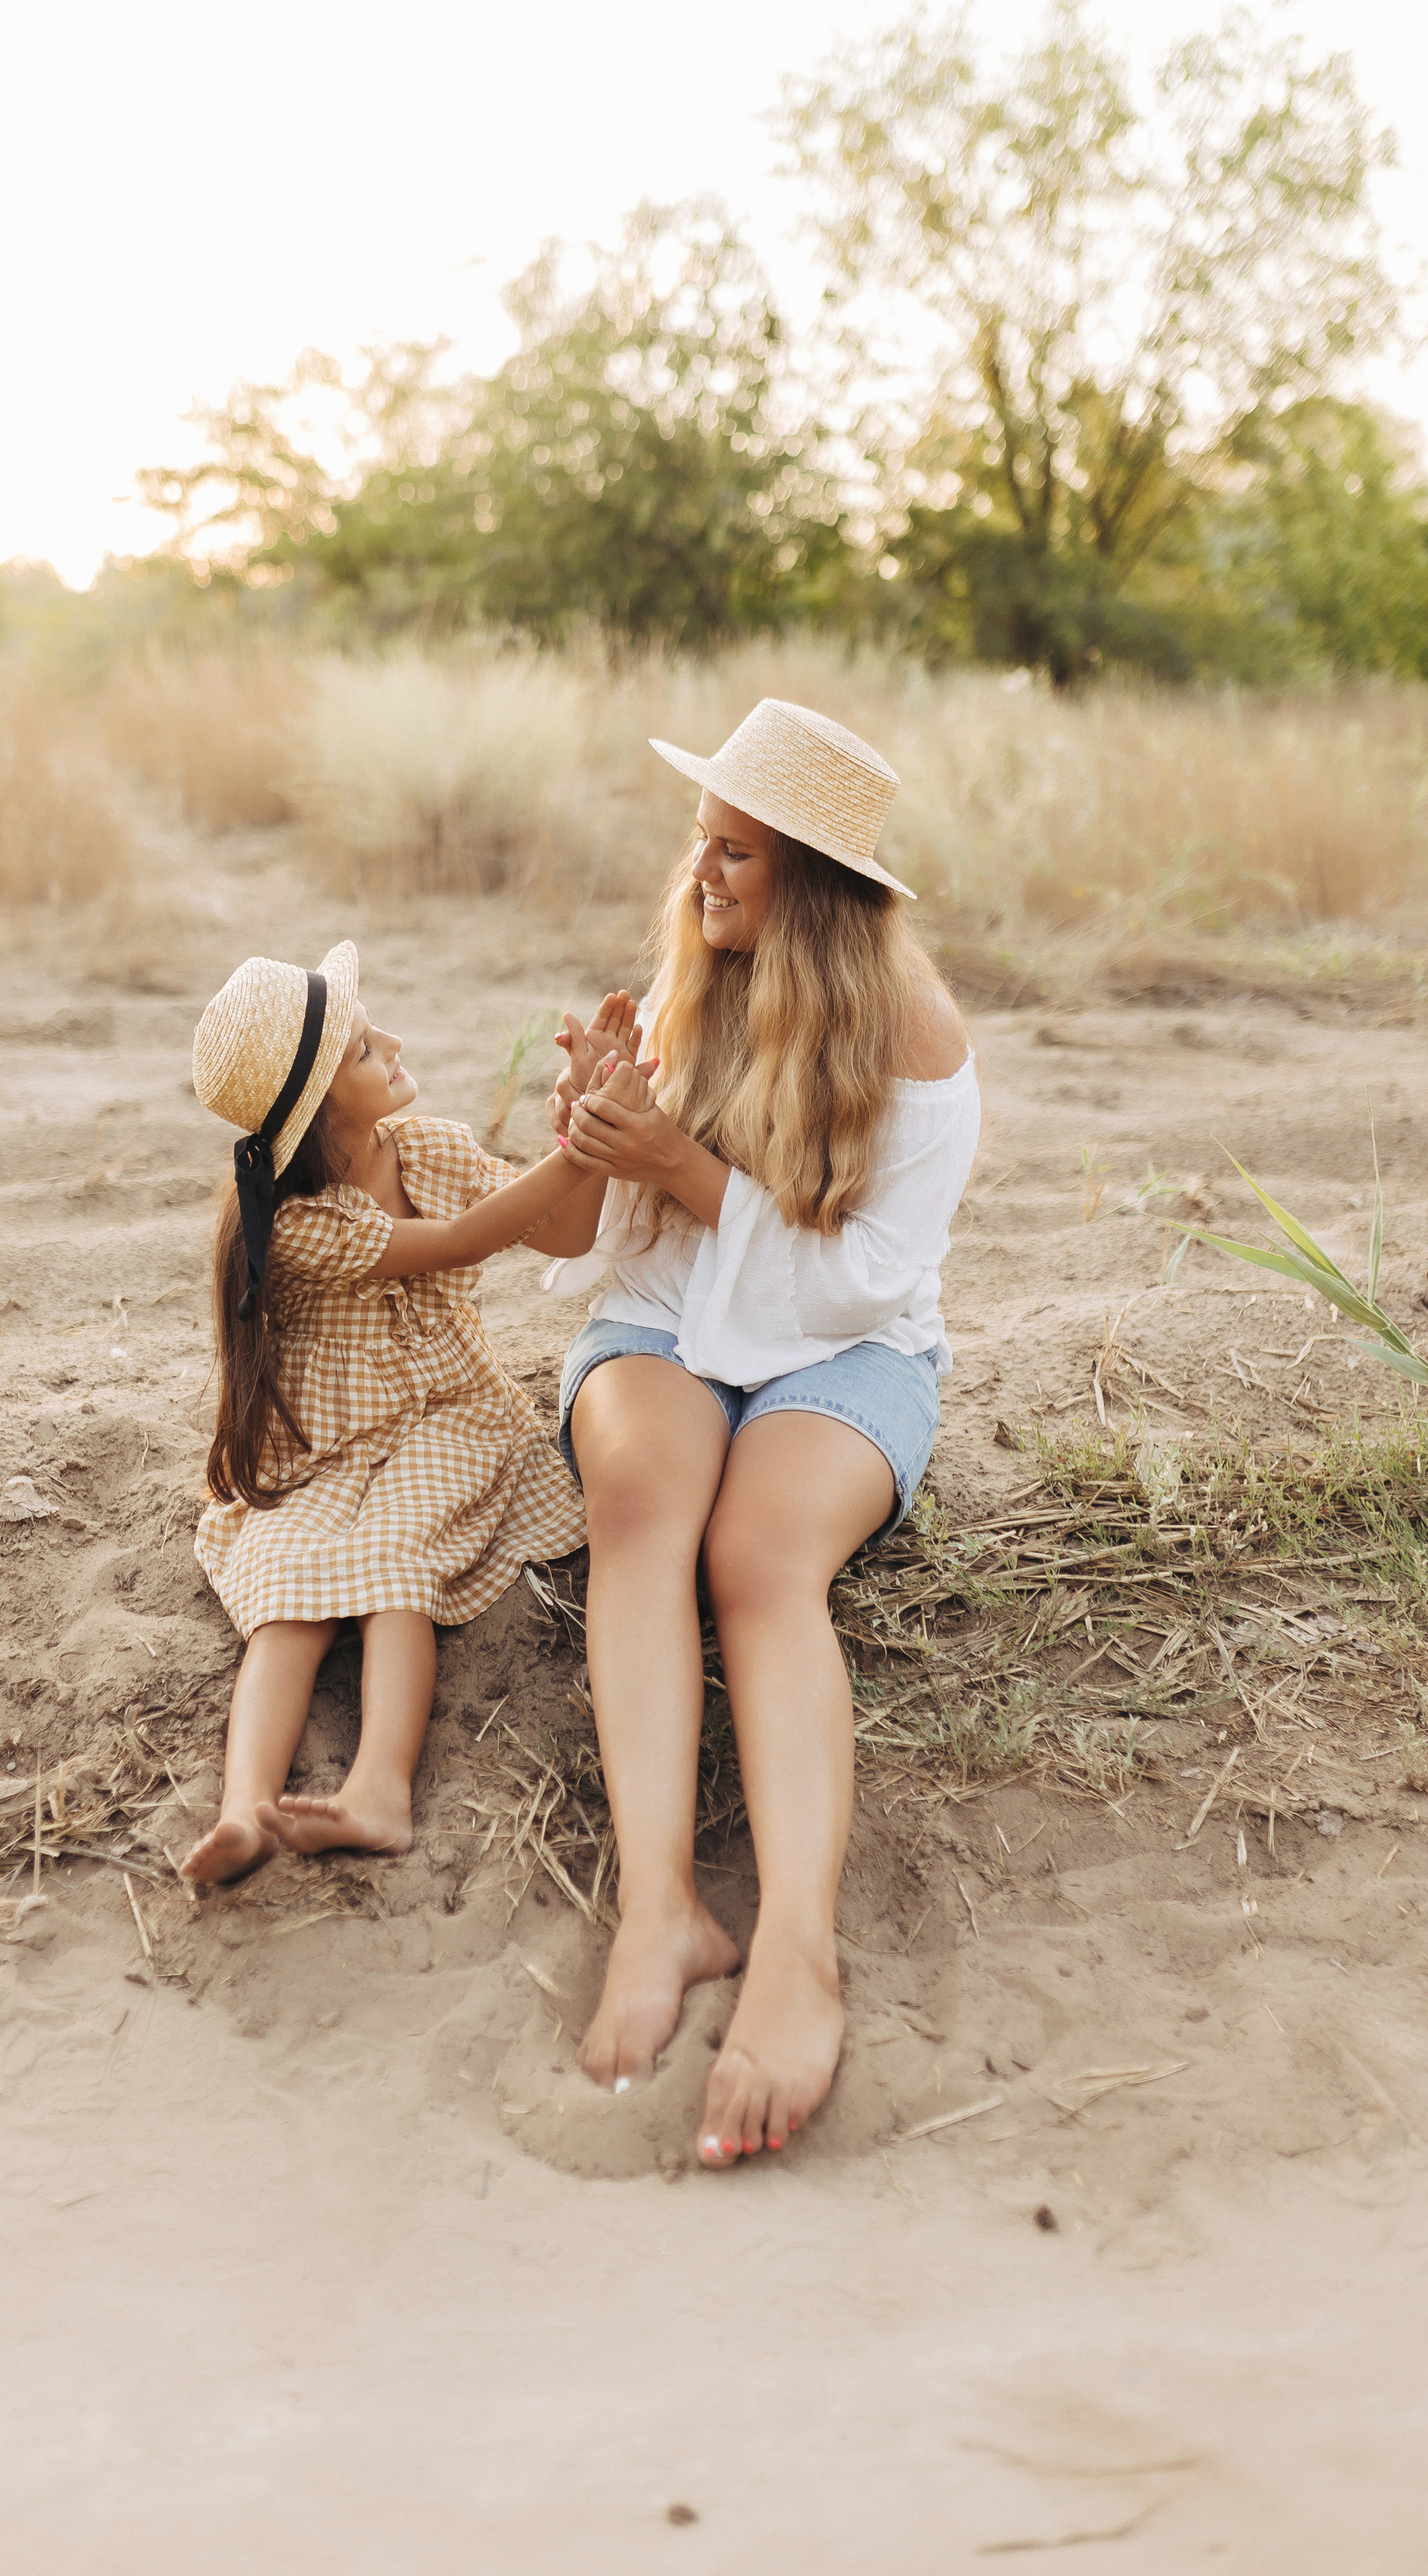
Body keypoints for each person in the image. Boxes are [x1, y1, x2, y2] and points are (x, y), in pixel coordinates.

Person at [546, 700, 981, 2167]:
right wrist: (599, 1130)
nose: (699, 873)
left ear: (806, 879)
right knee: (641, 1496)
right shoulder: (691, 986)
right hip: (675, 1311)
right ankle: (657, 1907)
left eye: (732, 852)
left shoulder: (914, 1036)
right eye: (699, 840)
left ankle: (795, 1950)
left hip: (847, 1341)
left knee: (759, 1551)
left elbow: (863, 1276)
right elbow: (607, 1230)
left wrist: (681, 1161)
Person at [182, 941, 633, 1886]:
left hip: (449, 1416)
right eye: (359, 1050)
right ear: (316, 1118)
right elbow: (468, 1240)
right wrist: (585, 1137)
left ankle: (379, 1789)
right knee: (282, 1587)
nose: (389, 1041)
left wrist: (584, 1123)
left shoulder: (429, 1148)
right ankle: (242, 1812)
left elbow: (566, 1229)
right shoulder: (301, 1224)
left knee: (395, 1557)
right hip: (328, 1446)